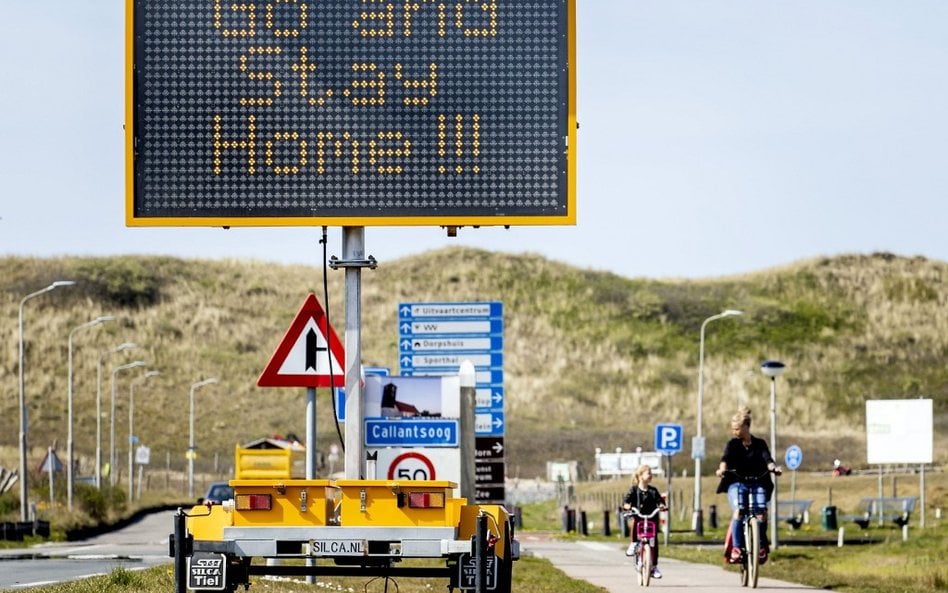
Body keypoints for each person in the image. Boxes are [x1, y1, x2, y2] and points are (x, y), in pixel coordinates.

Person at [714, 406, 782, 564]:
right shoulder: (733, 444)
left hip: (757, 483)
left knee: (761, 513)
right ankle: (737, 548)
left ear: (746, 427)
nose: (734, 432)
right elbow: (725, 458)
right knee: (739, 511)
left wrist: (774, 468)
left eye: (737, 429)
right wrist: (721, 470)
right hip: (736, 484)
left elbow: (768, 460)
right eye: (733, 429)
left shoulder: (759, 444)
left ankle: (761, 546)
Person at [622, 464, 666, 579]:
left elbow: (660, 501)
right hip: (639, 517)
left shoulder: (653, 490)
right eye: (648, 473)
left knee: (653, 542)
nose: (651, 475)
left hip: (651, 519)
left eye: (651, 473)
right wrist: (627, 506)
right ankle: (633, 543)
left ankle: (654, 566)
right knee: (635, 523)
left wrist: (661, 505)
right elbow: (627, 500)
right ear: (640, 476)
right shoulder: (634, 490)